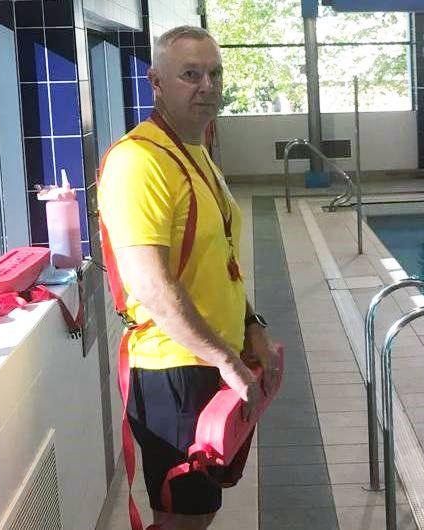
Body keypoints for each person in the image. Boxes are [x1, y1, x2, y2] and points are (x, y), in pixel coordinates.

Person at [97, 25, 277, 530]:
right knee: (181, 519)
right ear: (156, 82)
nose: (206, 86)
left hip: (208, 359)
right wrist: (225, 359)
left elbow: (218, 256)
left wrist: (252, 326)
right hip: (173, 368)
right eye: (190, 75)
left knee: (196, 514)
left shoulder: (194, 149)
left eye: (214, 74)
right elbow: (152, 287)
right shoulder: (140, 161)